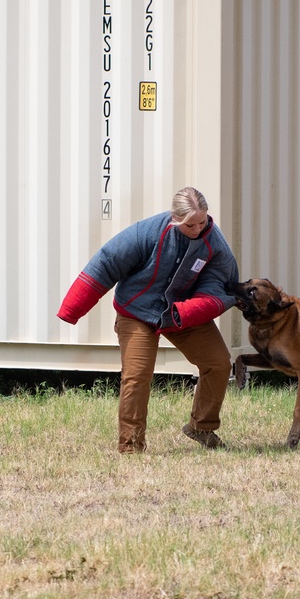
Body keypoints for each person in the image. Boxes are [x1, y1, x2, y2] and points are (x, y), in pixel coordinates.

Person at [57, 187, 239, 453]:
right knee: (137, 376)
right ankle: (131, 446)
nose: (198, 229)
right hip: (137, 311)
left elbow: (218, 285)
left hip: (180, 314)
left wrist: (189, 311)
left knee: (219, 363)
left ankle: (202, 427)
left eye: (202, 221)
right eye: (190, 224)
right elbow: (107, 262)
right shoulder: (148, 232)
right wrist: (72, 309)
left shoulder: (215, 244)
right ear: (175, 219)